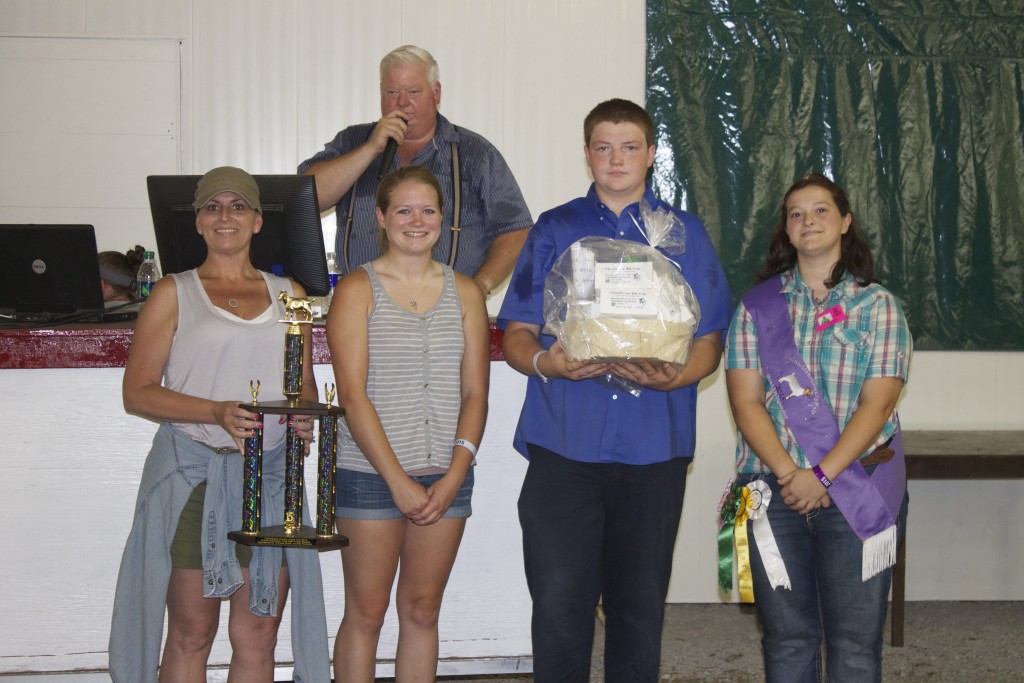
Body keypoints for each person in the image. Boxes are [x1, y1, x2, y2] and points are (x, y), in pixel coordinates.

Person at [498, 99, 732, 681]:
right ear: (587, 154)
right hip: (564, 442)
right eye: (603, 147)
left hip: (654, 445)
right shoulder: (555, 228)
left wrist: (678, 375)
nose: (616, 159)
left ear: (651, 154)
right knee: (559, 604)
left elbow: (710, 338)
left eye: (629, 147)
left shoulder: (684, 234)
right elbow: (517, 332)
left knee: (638, 608)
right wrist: (548, 364)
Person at [108, 167, 331, 681]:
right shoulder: (173, 292)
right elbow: (137, 392)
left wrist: (304, 416)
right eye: (212, 207)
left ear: (258, 220)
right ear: (197, 222)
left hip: (271, 480)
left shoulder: (291, 293)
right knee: (192, 632)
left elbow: (303, 384)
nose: (224, 216)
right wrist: (214, 411)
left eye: (237, 206)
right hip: (195, 479)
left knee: (259, 634)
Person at [724, 173, 912, 682]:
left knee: (855, 642)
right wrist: (793, 476)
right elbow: (745, 402)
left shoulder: (879, 306)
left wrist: (823, 475)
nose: (808, 220)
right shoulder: (756, 308)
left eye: (821, 210)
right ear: (786, 231)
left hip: (859, 485)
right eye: (796, 214)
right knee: (786, 639)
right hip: (773, 488)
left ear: (845, 222)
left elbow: (877, 404)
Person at [326, 165, 489, 681]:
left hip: (446, 478)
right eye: (403, 210)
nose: (416, 222)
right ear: (381, 217)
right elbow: (352, 396)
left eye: (427, 210)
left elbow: (475, 394)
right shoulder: (356, 289)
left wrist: (456, 474)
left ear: (443, 219)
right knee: (367, 614)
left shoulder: (467, 293)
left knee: (422, 612)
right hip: (371, 476)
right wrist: (397, 480)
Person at [299, 44, 532, 298]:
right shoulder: (352, 141)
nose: (401, 103)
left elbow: (516, 229)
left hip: (447, 309)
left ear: (436, 93)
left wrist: (479, 288)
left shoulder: (474, 153)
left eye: (413, 92)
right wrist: (369, 149)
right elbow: (305, 200)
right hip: (362, 307)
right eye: (392, 92)